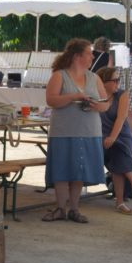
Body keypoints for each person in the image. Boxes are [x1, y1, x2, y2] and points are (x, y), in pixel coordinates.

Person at [42, 38, 109, 223]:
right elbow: (51, 100)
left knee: (79, 171)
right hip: (63, 130)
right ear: (77, 56)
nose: (92, 56)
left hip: (89, 130)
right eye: (89, 53)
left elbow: (106, 104)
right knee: (62, 171)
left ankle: (74, 210)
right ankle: (60, 209)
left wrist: (97, 106)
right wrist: (73, 96)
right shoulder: (59, 75)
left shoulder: (94, 77)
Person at [96, 67, 132, 214]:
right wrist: (109, 138)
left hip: (121, 135)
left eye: (119, 79)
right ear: (103, 83)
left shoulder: (122, 94)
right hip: (102, 137)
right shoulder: (94, 96)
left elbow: (122, 118)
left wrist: (113, 137)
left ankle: (122, 200)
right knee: (116, 150)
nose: (118, 82)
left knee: (117, 149)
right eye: (114, 80)